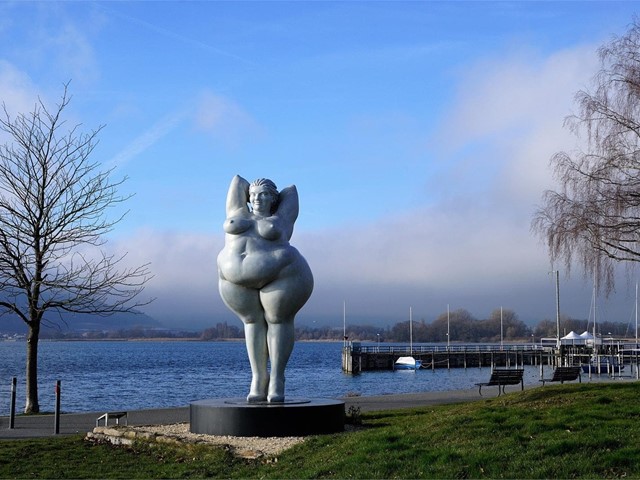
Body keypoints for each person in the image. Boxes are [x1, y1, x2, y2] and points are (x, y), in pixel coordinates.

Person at [217, 175, 314, 403]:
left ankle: (277, 379)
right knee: (252, 323)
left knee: (277, 320)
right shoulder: (237, 212)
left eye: (263, 195)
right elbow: (237, 181)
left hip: (284, 273)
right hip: (234, 279)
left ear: (273, 198)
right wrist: (251, 186)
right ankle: (258, 378)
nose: (257, 199)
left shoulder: (281, 218)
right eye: (253, 195)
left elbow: (291, 192)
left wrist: (274, 193)